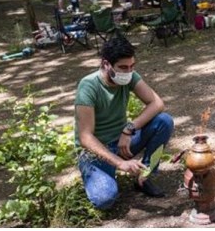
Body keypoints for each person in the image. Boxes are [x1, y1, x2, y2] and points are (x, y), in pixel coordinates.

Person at [75, 36, 174, 210]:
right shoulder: (88, 86)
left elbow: (157, 103)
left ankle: (144, 177)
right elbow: (85, 137)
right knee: (105, 199)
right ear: (106, 64)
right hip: (96, 151)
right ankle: (100, 172)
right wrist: (120, 163)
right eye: (122, 67)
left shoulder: (129, 76)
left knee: (164, 121)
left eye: (131, 66)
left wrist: (128, 129)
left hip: (122, 143)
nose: (128, 72)